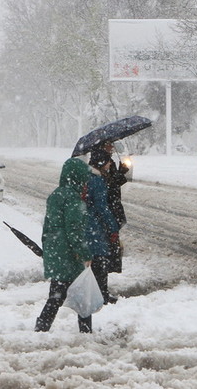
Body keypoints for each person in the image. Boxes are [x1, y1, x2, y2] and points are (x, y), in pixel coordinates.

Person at [35, 157, 94, 333]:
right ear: (78, 177)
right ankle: (86, 332)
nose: (86, 182)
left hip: (56, 252)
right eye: (84, 177)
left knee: (56, 295)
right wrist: (84, 253)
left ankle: (42, 327)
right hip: (69, 255)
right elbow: (74, 230)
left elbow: (47, 226)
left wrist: (47, 249)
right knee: (83, 296)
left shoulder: (55, 195)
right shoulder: (74, 199)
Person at [86, 148, 121, 304]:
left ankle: (96, 292)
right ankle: (102, 294)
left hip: (85, 224)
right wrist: (113, 227)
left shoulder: (85, 177)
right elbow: (102, 207)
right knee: (101, 261)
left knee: (93, 262)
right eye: (108, 161)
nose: (109, 164)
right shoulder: (97, 180)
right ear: (101, 163)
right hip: (95, 226)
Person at [94, 142, 129, 274]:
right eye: (109, 145)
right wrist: (120, 173)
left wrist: (121, 172)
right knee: (108, 243)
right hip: (109, 209)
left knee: (111, 243)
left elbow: (114, 184)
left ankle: (106, 273)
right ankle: (103, 278)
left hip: (112, 207)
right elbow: (111, 187)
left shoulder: (108, 163)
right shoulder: (100, 166)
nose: (112, 148)